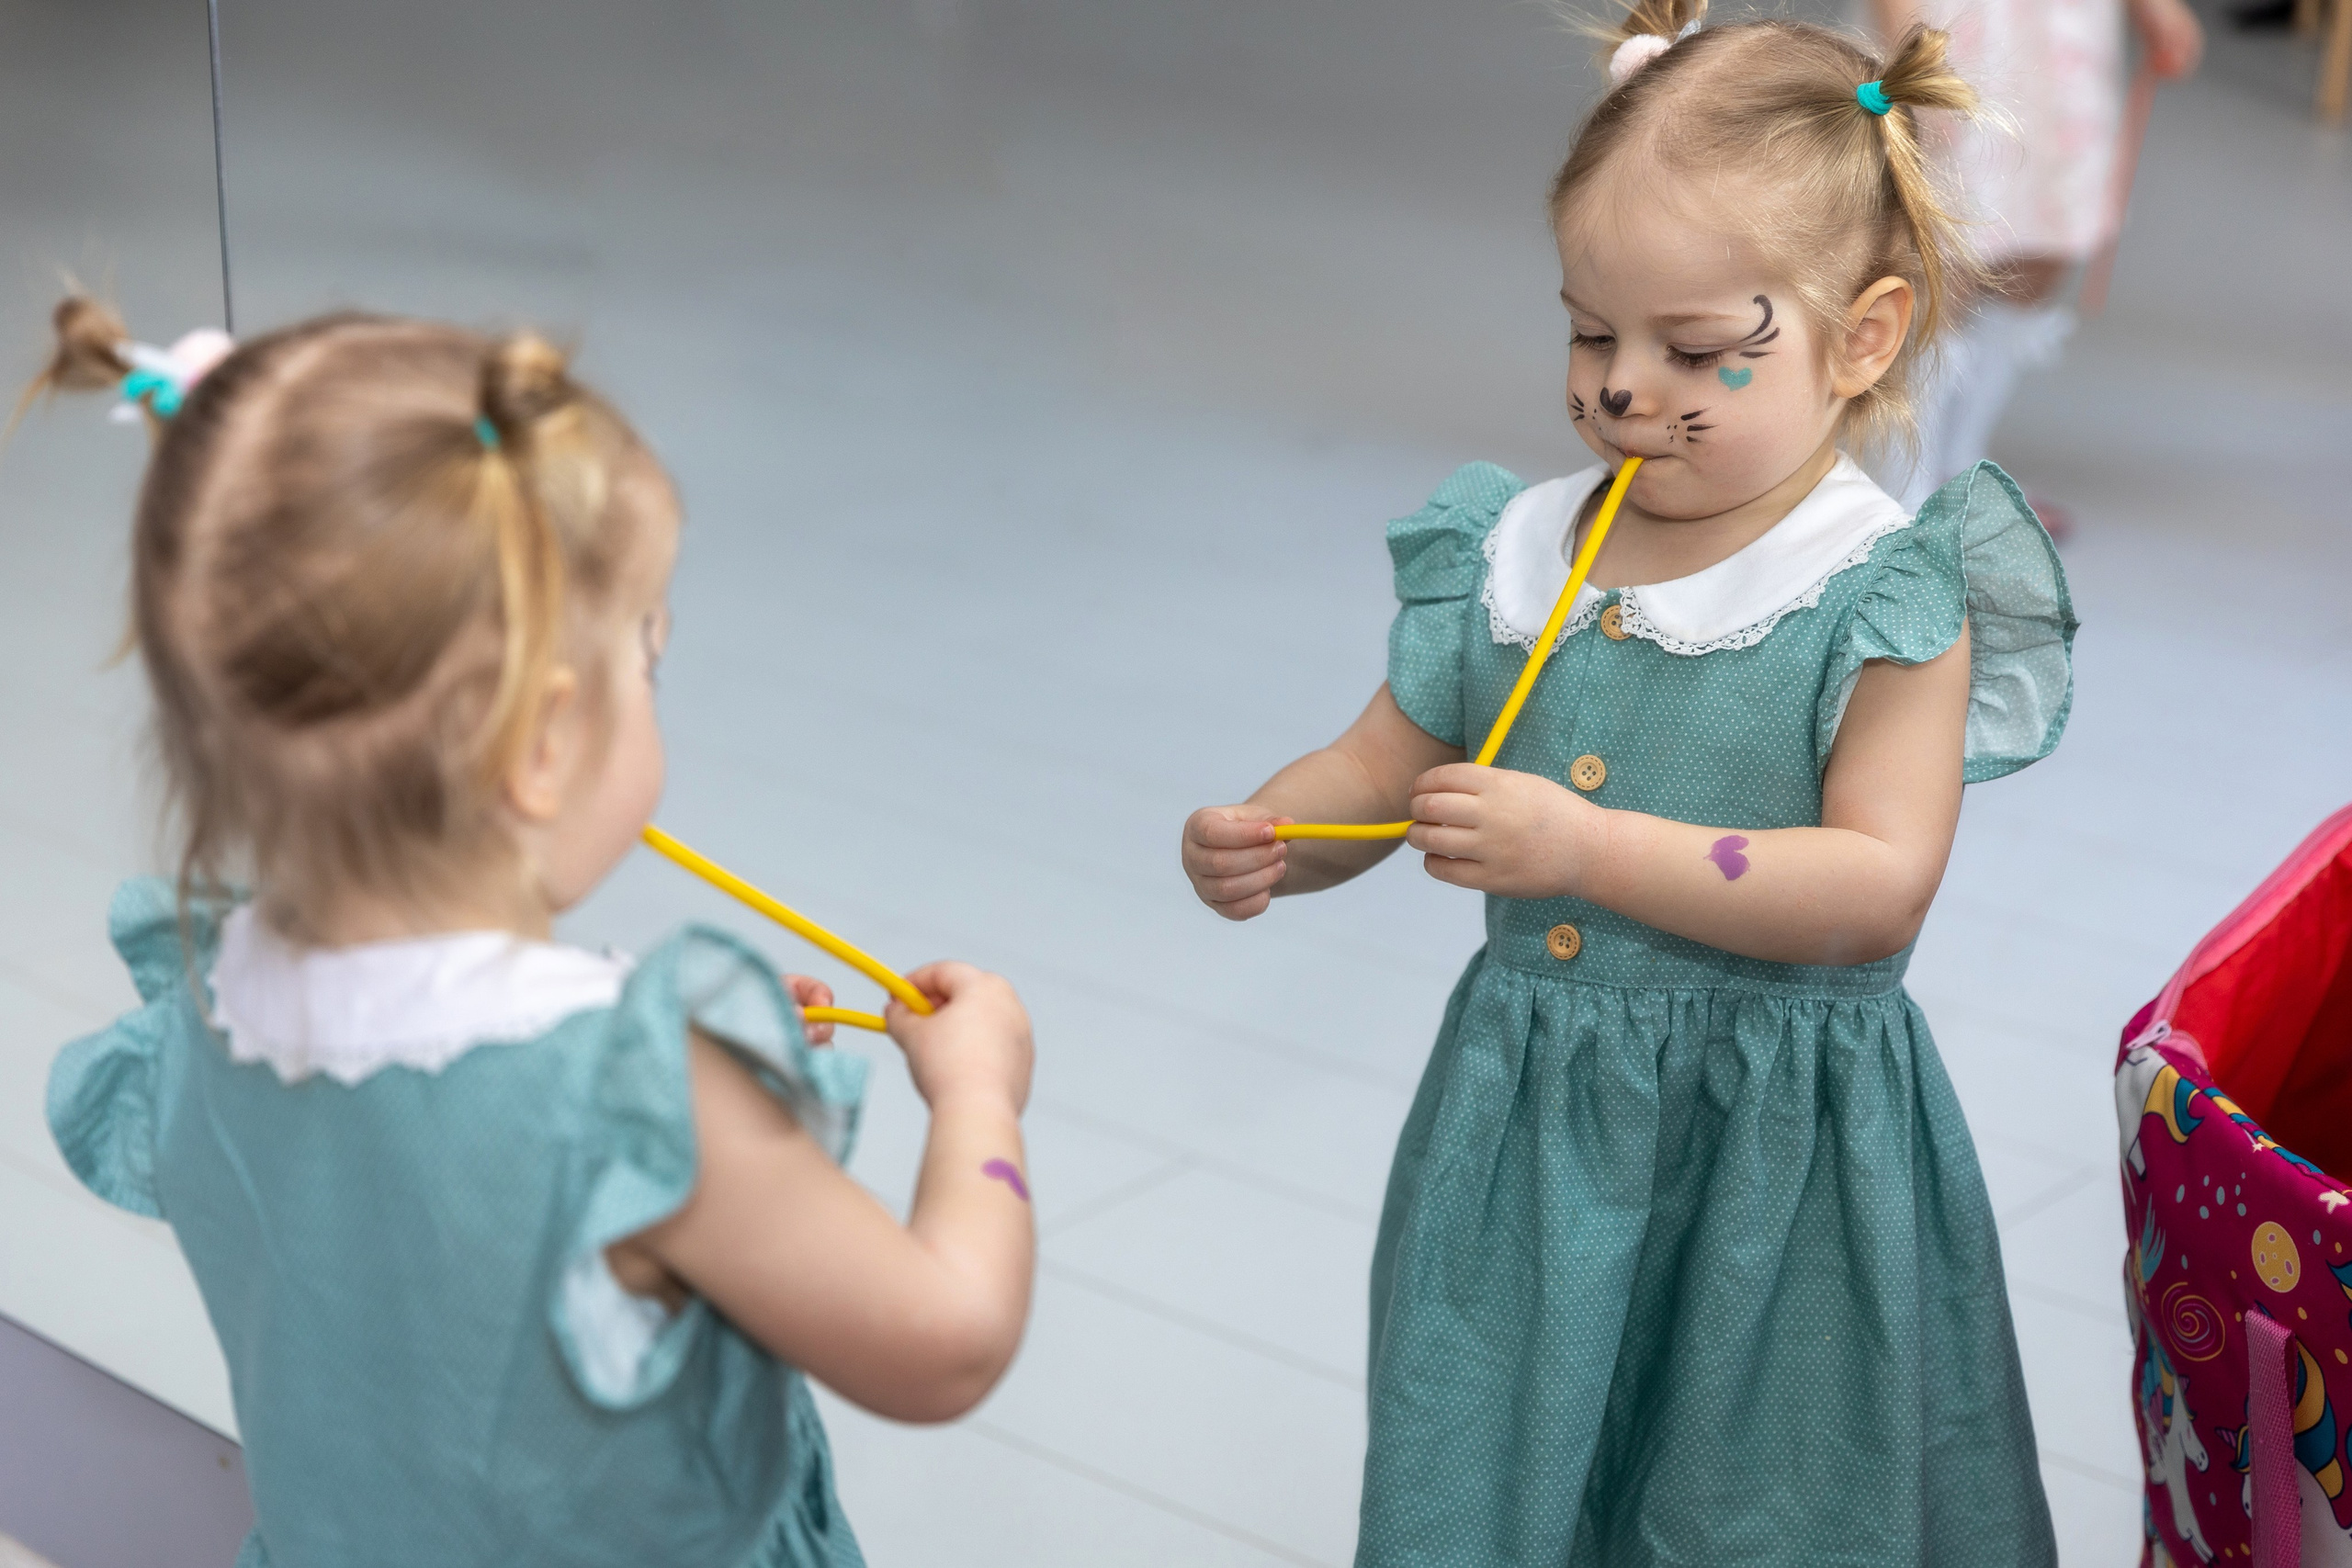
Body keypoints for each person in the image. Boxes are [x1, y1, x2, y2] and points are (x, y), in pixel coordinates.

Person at [1179, 5, 2076, 1562]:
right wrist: (1280, 831)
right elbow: (1385, 767)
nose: (1621, 390)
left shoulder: (1881, 592)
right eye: (1593, 334)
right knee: (1495, 1459)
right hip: (1533, 1139)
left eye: (1701, 354)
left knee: (1759, 1492)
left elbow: (1876, 888)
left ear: (1863, 336)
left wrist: (1589, 848)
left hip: (1785, 1157)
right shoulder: (1521, 553)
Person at [36, 300, 1036, 1568]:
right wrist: (979, 1100)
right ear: (545, 743)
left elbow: (432, 1216)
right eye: (649, 658)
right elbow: (947, 1338)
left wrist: (706, 1087)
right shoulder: (647, 1098)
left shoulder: (204, 1012)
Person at [1869, 0, 2205, 512]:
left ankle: (1962, 464)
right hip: (1960, 29)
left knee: (2045, 239)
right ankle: (1902, 490)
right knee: (1947, 247)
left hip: (2062, 35)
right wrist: (1907, 43)